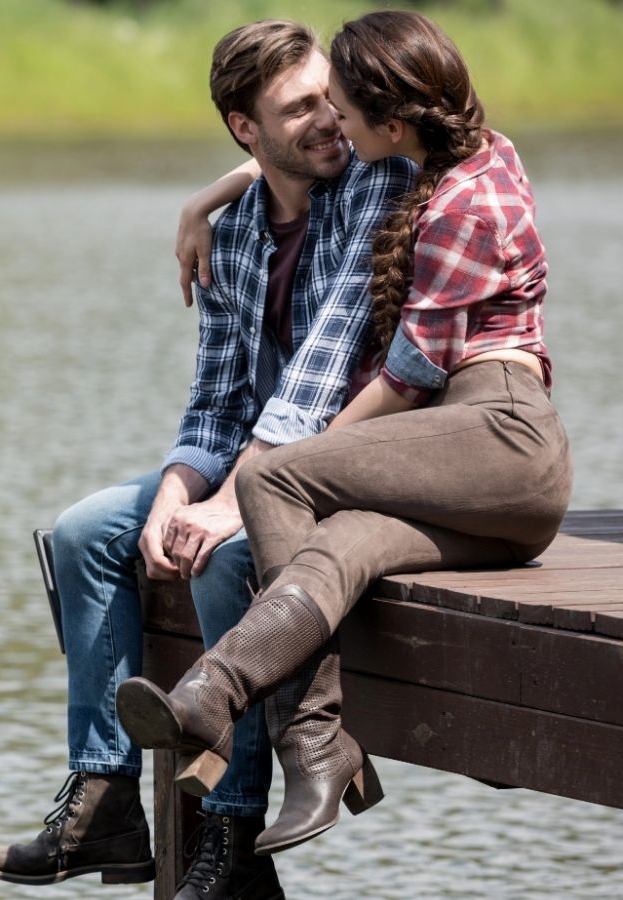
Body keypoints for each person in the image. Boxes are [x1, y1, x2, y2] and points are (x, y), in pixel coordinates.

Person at [0, 20, 415, 899]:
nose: (330, 118)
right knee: (86, 533)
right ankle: (104, 799)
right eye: (299, 108)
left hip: (344, 463)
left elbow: (321, 374)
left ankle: (233, 832)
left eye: (329, 97)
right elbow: (216, 400)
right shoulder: (235, 232)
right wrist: (180, 488)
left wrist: (228, 503)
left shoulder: (371, 187)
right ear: (245, 128)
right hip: (252, 460)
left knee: (223, 561)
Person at [116, 9, 572, 858]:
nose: (335, 127)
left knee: (272, 477)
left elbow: (412, 373)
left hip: (500, 436)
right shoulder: (445, 160)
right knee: (336, 551)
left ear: (390, 124)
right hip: (471, 483)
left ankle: (273, 723)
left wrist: (300, 457)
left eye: (344, 112)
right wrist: (209, 197)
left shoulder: (465, 202)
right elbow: (276, 158)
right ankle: (283, 733)